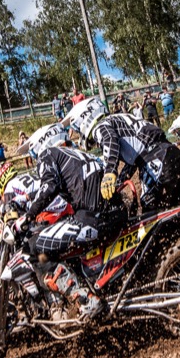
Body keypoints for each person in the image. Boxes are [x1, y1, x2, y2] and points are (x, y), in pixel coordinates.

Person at [17, 132, 123, 323]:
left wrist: (28, 216)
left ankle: (85, 299)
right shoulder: (80, 155)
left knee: (35, 248)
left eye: (33, 153)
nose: (34, 160)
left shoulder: (47, 154)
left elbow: (48, 187)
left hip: (92, 219)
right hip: (115, 213)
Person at [64, 97, 180, 211]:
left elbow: (110, 140)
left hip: (156, 161)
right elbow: (134, 160)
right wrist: (118, 183)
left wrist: (109, 172)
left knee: (150, 210)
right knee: (179, 206)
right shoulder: (119, 118)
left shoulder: (101, 127)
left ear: (84, 118)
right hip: (171, 153)